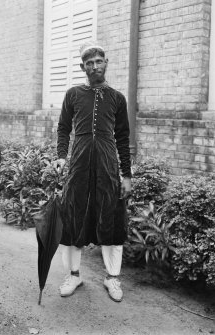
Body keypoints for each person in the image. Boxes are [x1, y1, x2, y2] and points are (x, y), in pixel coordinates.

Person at [54, 41, 132, 302]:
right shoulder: (73, 94)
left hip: (108, 164)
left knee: (111, 217)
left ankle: (112, 278)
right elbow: (63, 128)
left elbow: (122, 138)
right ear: (82, 67)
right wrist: (61, 157)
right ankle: (74, 275)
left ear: (106, 63)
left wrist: (127, 175)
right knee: (74, 216)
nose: (95, 66)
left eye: (99, 61)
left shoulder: (117, 98)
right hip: (78, 163)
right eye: (89, 63)